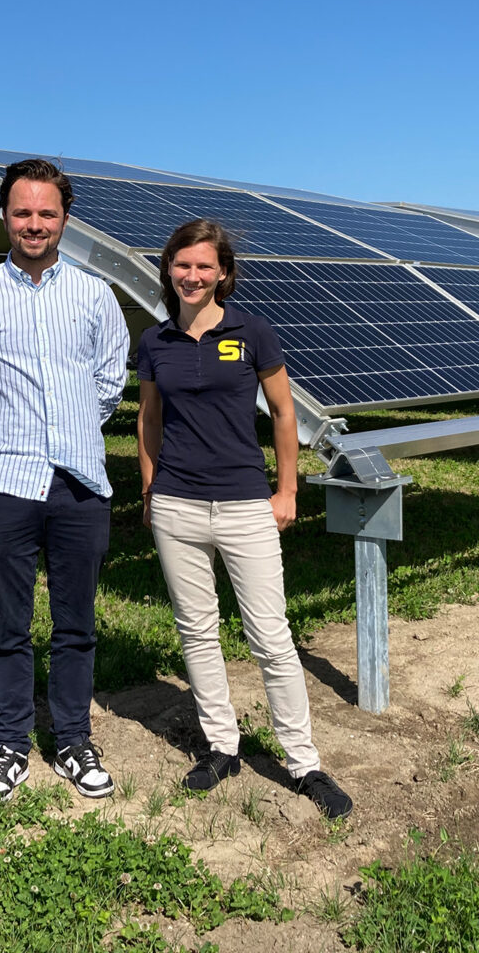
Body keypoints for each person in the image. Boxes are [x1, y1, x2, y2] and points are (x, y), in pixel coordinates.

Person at [136, 219, 353, 820]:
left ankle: (303, 761)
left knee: (271, 636)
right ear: (169, 269)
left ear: (224, 273)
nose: (193, 276)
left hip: (244, 503)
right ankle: (221, 746)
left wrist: (286, 489)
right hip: (178, 504)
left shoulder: (252, 332)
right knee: (197, 630)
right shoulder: (154, 342)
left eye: (205, 266)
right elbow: (148, 419)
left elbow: (284, 414)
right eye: (182, 265)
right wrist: (151, 490)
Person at [0, 158, 129, 800]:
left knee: (77, 623)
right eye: (22, 211)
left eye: (47, 212)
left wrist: (72, 431)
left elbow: (110, 379)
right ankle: (11, 743)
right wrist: (1, 442)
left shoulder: (95, 295)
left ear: (65, 219)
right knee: (9, 626)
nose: (34, 223)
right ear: (5, 216)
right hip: (6, 484)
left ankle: (74, 741)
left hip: (80, 485)